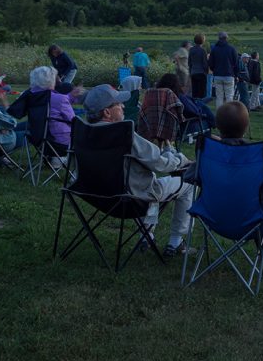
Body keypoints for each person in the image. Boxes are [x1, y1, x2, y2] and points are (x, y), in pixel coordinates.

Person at [82, 84, 194, 258]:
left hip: (93, 195)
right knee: (188, 182)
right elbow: (159, 163)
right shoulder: (123, 132)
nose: (124, 106)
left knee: (146, 176)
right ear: (107, 112)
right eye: (118, 103)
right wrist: (182, 160)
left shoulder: (82, 131)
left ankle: (146, 235)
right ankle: (176, 241)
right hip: (130, 199)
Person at [212, 101, 263, 266]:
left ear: (217, 125)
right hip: (250, 219)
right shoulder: (257, 154)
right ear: (246, 126)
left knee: (258, 205)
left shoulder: (210, 151)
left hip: (213, 217)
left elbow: (190, 176)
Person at [137, 73, 185, 148]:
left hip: (150, 122)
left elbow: (144, 108)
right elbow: (178, 108)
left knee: (163, 118)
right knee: (168, 117)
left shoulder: (149, 91)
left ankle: (161, 147)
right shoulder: (169, 93)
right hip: (166, 124)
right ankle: (166, 145)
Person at [207, 31, 239, 111]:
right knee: (229, 96)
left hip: (218, 75)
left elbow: (210, 63)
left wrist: (215, 70)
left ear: (219, 38)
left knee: (219, 97)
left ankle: (219, 114)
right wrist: (236, 74)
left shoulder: (214, 49)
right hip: (229, 75)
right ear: (226, 38)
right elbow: (236, 63)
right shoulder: (231, 48)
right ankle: (229, 113)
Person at [187, 33, 209, 99]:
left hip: (193, 72)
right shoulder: (203, 51)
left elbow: (189, 62)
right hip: (201, 73)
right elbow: (204, 63)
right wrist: (206, 71)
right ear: (203, 41)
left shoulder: (191, 50)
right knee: (202, 93)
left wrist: (190, 71)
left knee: (195, 91)